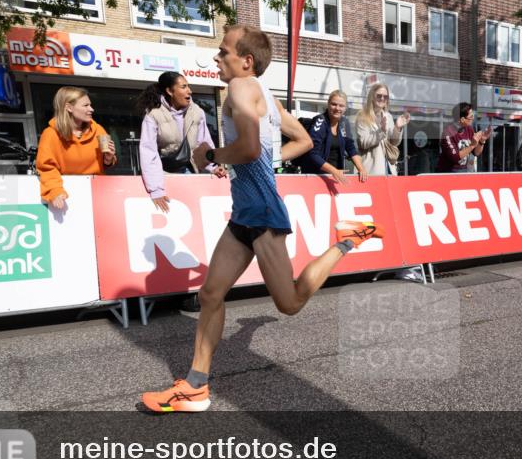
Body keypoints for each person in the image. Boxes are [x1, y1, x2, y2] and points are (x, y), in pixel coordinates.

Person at [141, 26, 383, 413]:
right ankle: (196, 386)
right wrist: (255, 166)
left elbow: (250, 148)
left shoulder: (240, 88)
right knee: (210, 294)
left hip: (265, 213)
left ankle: (347, 241)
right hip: (245, 213)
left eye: (223, 51)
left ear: (245, 60)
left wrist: (211, 157)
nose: (216, 58)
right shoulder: (265, 95)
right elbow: (301, 142)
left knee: (288, 303)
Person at [136, 71, 226, 213]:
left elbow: (204, 142)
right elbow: (148, 152)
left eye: (188, 86)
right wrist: (156, 189)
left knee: (194, 211)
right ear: (169, 91)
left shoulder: (197, 112)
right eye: (183, 87)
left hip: (189, 170)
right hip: (164, 174)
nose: (189, 91)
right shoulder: (153, 115)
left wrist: (213, 167)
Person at [35, 87, 116, 210]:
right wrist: (55, 190)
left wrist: (109, 159)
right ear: (69, 107)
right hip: (67, 196)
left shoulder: (98, 130)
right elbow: (46, 168)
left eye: (90, 105)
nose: (91, 109)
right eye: (86, 105)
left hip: (98, 194)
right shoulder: (51, 134)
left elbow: (105, 164)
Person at [295, 90, 368, 182]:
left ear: (345, 108)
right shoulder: (320, 121)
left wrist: (361, 169)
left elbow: (350, 147)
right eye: (334, 104)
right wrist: (334, 171)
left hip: (335, 176)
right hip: (316, 177)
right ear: (328, 104)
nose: (337, 108)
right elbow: (312, 153)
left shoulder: (344, 122)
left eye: (341, 106)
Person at [354, 82, 409, 175]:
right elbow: (363, 143)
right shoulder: (362, 116)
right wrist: (381, 132)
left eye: (385, 96)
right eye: (379, 96)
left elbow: (394, 142)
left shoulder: (388, 116)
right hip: (371, 170)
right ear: (372, 96)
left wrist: (397, 128)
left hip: (389, 168)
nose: (382, 98)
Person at [436, 102, 490, 173]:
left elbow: (476, 153)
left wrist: (481, 141)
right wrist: (472, 145)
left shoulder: (469, 129)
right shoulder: (448, 132)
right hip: (448, 172)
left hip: (464, 169)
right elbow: (455, 157)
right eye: (471, 117)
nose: (473, 118)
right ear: (462, 119)